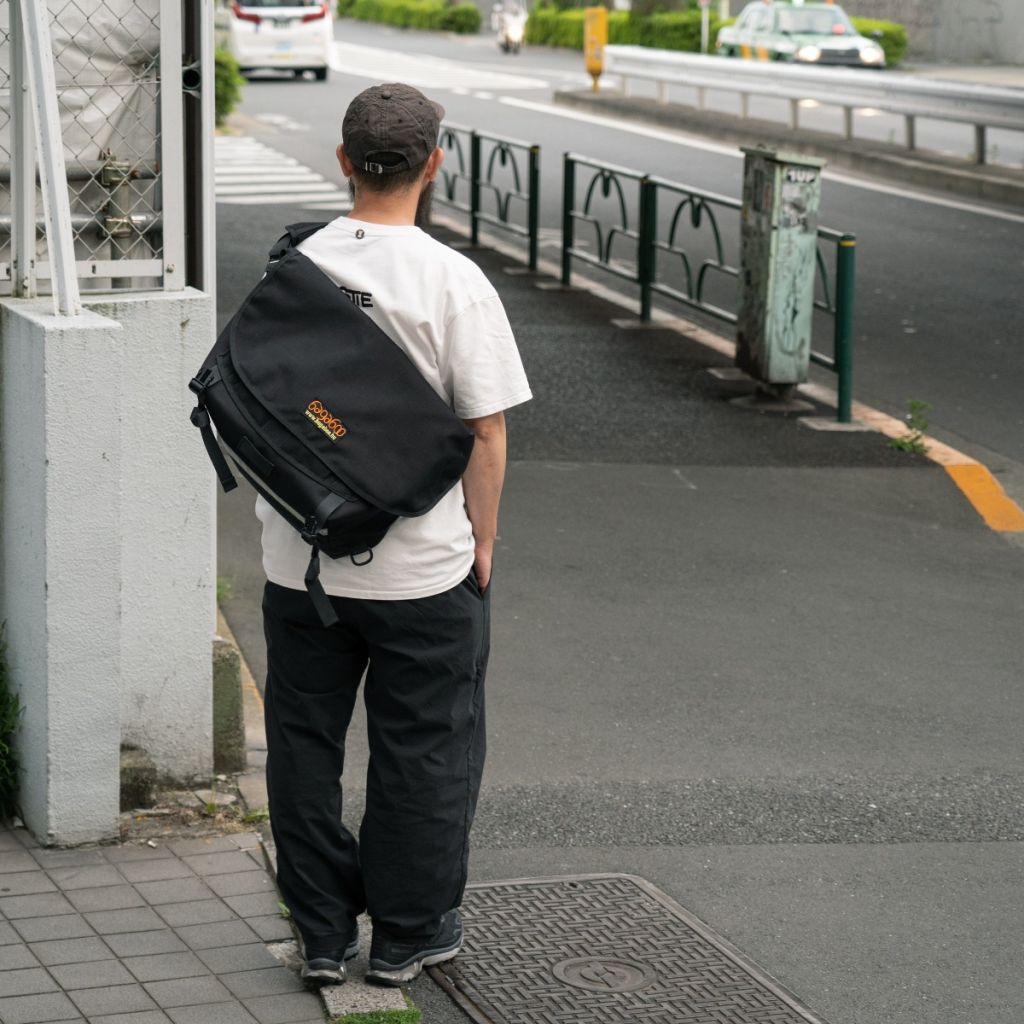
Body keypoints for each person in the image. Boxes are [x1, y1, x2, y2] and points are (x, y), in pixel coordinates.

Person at [257, 83, 532, 988]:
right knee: (424, 751)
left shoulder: (290, 268)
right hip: (422, 571)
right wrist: (482, 540)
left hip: (299, 564)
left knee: (303, 745)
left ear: (343, 161)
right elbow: (485, 430)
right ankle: (408, 936)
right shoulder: (453, 280)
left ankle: (324, 934)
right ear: (434, 164)